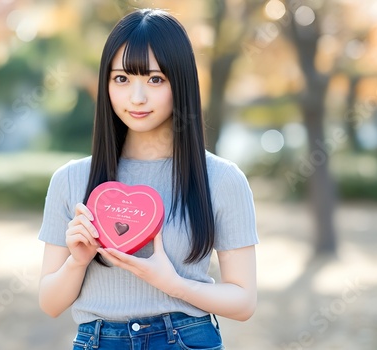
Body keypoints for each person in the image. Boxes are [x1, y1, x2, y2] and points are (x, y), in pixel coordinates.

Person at [38, 8, 258, 350]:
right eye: (121, 79)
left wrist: (174, 284)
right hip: (99, 341)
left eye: (155, 79)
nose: (136, 97)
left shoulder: (221, 179)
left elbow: (244, 302)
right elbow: (50, 303)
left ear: (179, 82)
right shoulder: (71, 180)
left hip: (185, 339)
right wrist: (77, 261)